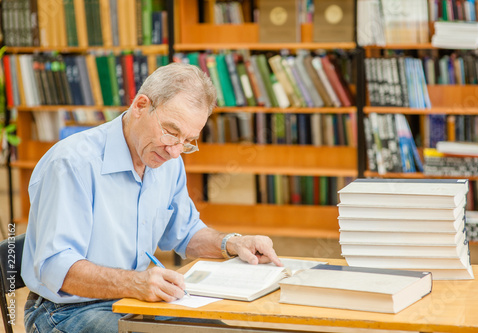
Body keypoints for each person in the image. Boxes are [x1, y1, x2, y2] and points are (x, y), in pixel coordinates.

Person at [21, 63, 282, 333]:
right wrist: (135, 283)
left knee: (223, 330)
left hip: (132, 301)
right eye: (171, 131)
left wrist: (232, 243)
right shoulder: (72, 163)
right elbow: (54, 267)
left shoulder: (166, 160)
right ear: (141, 106)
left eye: (188, 140)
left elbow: (185, 232)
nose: (175, 151)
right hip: (64, 310)